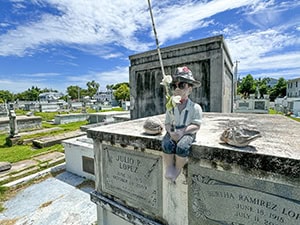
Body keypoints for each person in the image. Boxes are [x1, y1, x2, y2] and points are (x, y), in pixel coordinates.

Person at [162, 66, 203, 182]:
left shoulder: (195, 108)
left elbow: (196, 125)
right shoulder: (171, 107)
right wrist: (170, 131)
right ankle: (170, 167)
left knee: (182, 146)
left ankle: (178, 168)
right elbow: (167, 123)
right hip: (174, 131)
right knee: (166, 144)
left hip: (187, 132)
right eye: (174, 86)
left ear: (190, 89)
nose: (177, 89)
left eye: (181, 85)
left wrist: (183, 132)